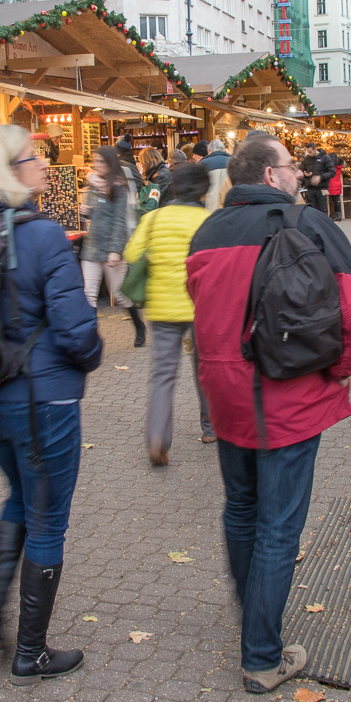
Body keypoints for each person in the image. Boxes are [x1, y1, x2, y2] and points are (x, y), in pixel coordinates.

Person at [186, 133, 351, 694]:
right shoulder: (310, 225)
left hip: (225, 395)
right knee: (278, 526)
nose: (299, 174)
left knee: (241, 509)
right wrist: (338, 371)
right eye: (292, 166)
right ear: (271, 176)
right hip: (289, 396)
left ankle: (255, 619)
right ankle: (262, 656)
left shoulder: (206, 232)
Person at [0, 124, 102, 686]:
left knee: (19, 497)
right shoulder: (42, 235)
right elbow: (76, 328)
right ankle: (30, 653)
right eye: (37, 158)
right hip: (42, 396)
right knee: (48, 516)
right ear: (11, 170)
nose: (46, 166)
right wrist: (90, 354)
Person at [124, 163, 213, 466]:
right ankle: (210, 428)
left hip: (162, 307)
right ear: (203, 190)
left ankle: (157, 440)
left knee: (163, 375)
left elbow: (131, 254)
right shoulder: (207, 220)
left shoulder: (154, 218)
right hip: (200, 305)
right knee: (204, 369)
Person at [80, 146, 145, 347]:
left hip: (111, 249)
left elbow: (120, 222)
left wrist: (116, 250)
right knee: (88, 294)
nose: (96, 165)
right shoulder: (91, 184)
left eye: (100, 161)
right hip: (92, 247)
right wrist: (86, 212)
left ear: (110, 163)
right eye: (95, 160)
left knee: (119, 294)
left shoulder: (119, 188)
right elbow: (96, 214)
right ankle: (91, 339)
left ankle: (139, 325)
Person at [300, 142, 336, 216]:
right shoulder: (307, 159)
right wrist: (305, 174)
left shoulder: (325, 157)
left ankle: (323, 226)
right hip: (310, 188)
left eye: (310, 152)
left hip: (322, 188)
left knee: (322, 210)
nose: (309, 154)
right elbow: (300, 170)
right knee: (311, 211)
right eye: (308, 152)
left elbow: (332, 172)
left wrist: (321, 177)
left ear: (315, 149)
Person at [202, 138, 231, 212]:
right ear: (224, 150)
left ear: (210, 151)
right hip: (230, 207)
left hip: (210, 208)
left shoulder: (203, 164)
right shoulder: (234, 162)